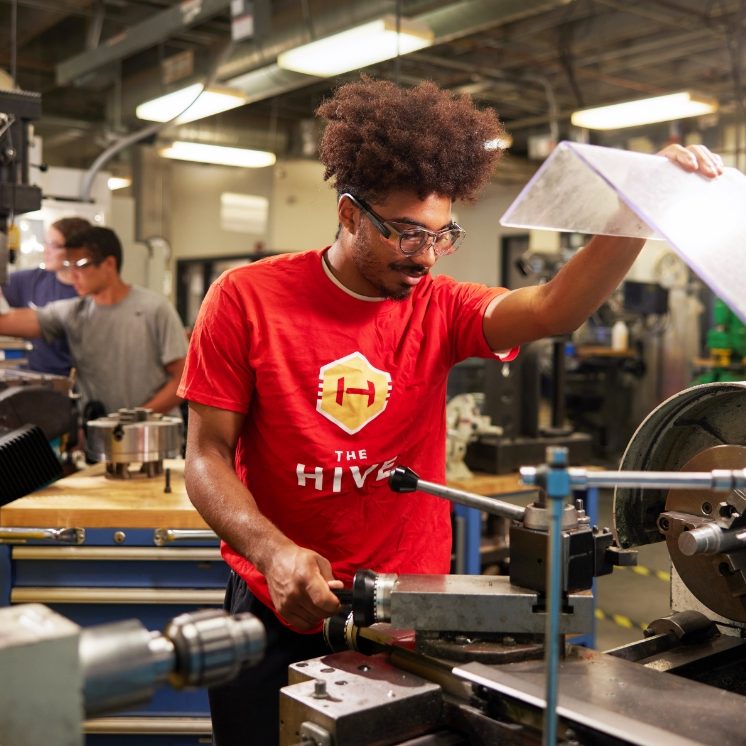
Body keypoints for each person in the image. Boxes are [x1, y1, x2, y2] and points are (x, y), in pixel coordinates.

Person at [177, 77, 723, 745]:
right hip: (272, 605)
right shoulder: (245, 298)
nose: (426, 257)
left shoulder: (440, 306)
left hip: (411, 609)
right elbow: (204, 456)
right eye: (406, 234)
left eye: (442, 235)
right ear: (349, 214)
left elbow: (556, 308)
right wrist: (272, 552)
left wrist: (641, 209)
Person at [0, 226, 187, 417]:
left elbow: (183, 377)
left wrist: (136, 418)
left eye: (80, 265)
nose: (72, 275)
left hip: (155, 437)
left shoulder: (154, 309)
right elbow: (10, 322)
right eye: (69, 265)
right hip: (99, 437)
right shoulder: (74, 312)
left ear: (109, 264)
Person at [1, 216, 89, 376]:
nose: (46, 250)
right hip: (32, 377)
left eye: (55, 246)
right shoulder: (32, 280)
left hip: (71, 384)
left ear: (77, 250)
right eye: (46, 243)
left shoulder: (88, 294)